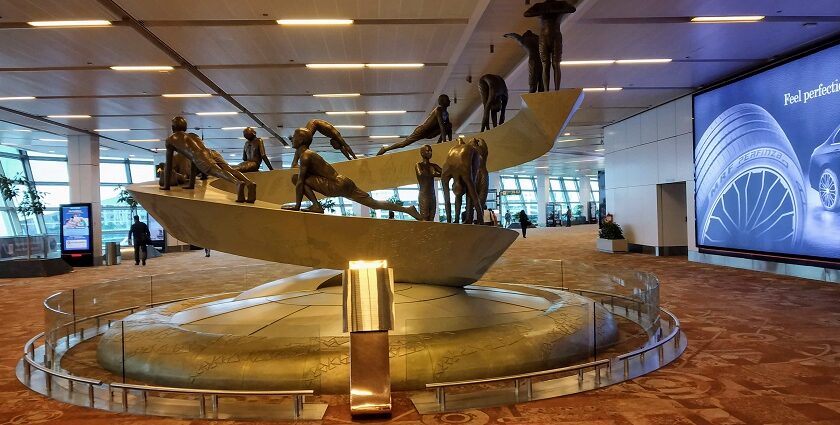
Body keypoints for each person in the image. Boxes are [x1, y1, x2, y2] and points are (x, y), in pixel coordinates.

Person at [281, 129, 422, 220]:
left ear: (301, 140)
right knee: (373, 203)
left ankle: (316, 206)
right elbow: (295, 163)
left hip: (335, 186)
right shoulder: (306, 154)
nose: (291, 139)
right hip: (344, 181)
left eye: (294, 137)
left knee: (296, 178)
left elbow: (300, 182)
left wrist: (297, 206)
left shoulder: (305, 156)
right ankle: (408, 210)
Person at [377, 94, 452, 155]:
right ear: (442, 101)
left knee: (449, 125)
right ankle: (385, 149)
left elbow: (447, 127)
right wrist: (444, 143)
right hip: (422, 130)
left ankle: (438, 145)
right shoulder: (438, 110)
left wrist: (450, 142)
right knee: (403, 144)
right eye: (447, 99)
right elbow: (441, 127)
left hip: (430, 132)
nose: (449, 101)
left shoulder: (446, 114)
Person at [290, 119, 357, 167]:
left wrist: (350, 160)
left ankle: (294, 162)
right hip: (313, 124)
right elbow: (346, 147)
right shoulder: (337, 135)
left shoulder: (335, 137)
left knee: (303, 144)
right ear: (337, 143)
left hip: (314, 125)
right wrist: (355, 158)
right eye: (334, 146)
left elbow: (342, 149)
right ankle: (294, 163)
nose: (331, 144)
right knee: (304, 144)